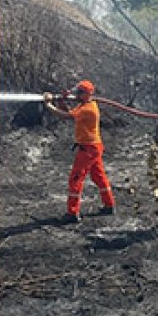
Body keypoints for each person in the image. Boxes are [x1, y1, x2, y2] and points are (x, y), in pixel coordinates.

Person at [44, 80, 115, 223]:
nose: (76, 95)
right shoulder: (86, 105)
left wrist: (48, 105)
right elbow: (69, 112)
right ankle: (109, 205)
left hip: (88, 149)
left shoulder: (88, 109)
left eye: (80, 92)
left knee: (75, 179)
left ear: (87, 94)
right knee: (98, 177)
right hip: (94, 147)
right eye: (77, 92)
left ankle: (72, 213)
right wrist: (61, 101)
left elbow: (65, 116)